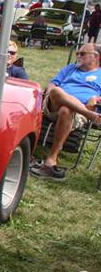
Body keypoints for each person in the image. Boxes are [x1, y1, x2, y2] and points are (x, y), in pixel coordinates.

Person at [30, 43, 101, 180]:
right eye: (77, 54)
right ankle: (90, 115)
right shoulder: (70, 68)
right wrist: (50, 92)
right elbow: (53, 83)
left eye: (82, 54)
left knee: (66, 110)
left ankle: (51, 160)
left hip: (78, 112)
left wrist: (97, 100)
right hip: (54, 105)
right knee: (57, 91)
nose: (78, 56)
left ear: (95, 57)